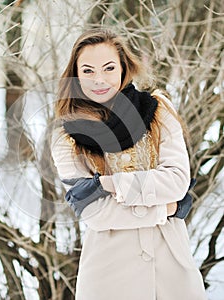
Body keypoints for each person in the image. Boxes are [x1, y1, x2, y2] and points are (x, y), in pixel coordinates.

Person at [50, 28, 207, 300]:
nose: (99, 79)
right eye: (87, 71)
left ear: (124, 68)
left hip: (171, 264)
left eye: (109, 68)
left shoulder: (159, 110)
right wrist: (164, 209)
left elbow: (177, 181)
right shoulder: (66, 136)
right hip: (108, 271)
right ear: (75, 74)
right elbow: (95, 212)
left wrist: (111, 184)